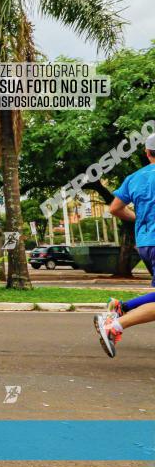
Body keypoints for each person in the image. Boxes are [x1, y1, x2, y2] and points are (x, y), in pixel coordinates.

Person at [94, 133, 155, 357]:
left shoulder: (135, 177)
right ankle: (114, 326)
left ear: (147, 153)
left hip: (146, 244)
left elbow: (115, 208)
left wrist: (138, 218)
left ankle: (121, 308)